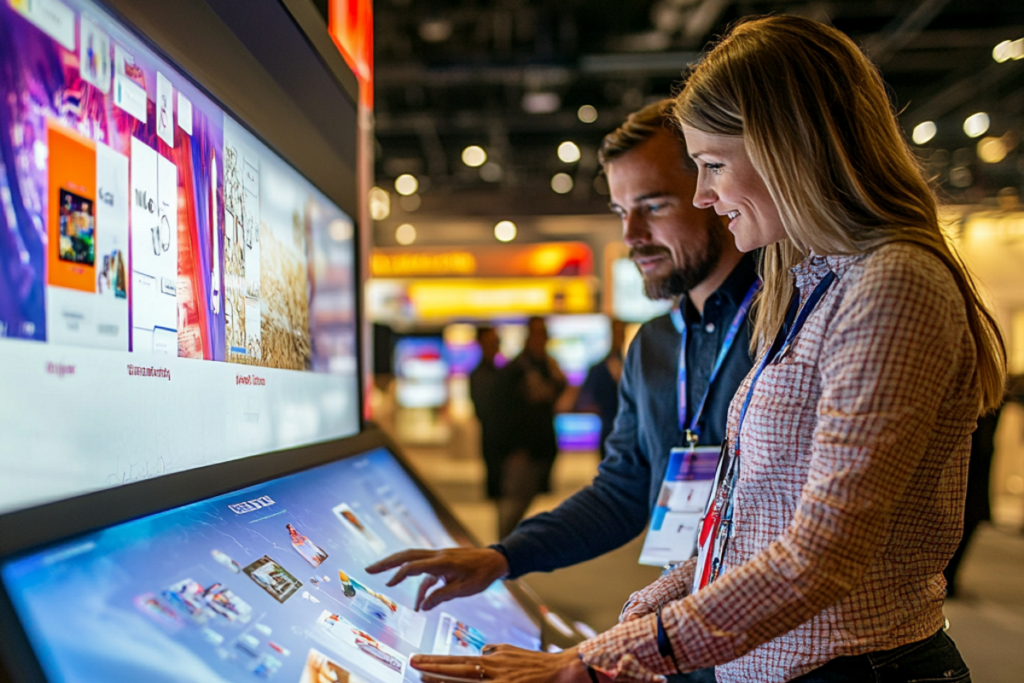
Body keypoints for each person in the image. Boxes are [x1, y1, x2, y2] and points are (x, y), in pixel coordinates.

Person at [406, 15, 1006, 683]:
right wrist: (614, 632)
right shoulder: (807, 287)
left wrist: (591, 660)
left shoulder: (890, 283)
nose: (703, 193)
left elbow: (821, 554)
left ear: (790, 146)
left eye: (711, 165)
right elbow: (745, 521)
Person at [368, 99, 757, 683]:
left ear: (713, 190)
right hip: (681, 638)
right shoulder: (653, 346)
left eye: (653, 205)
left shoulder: (783, 324)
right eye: (622, 210)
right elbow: (624, 489)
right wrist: (504, 555)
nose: (631, 234)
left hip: (782, 647)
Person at [497, 316, 567, 538]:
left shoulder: (547, 365)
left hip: (541, 444)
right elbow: (508, 412)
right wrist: (514, 447)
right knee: (515, 501)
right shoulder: (518, 368)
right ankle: (502, 548)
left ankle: (506, 546)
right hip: (523, 448)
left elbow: (558, 394)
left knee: (527, 496)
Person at [575, 319, 626, 458]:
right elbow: (587, 402)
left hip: (627, 433)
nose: (619, 336)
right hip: (609, 431)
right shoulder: (600, 368)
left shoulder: (628, 366)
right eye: (616, 332)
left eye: (621, 332)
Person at [469, 326, 507, 501]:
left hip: (502, 438)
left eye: (496, 342)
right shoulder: (479, 375)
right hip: (492, 436)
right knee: (497, 486)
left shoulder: (502, 373)